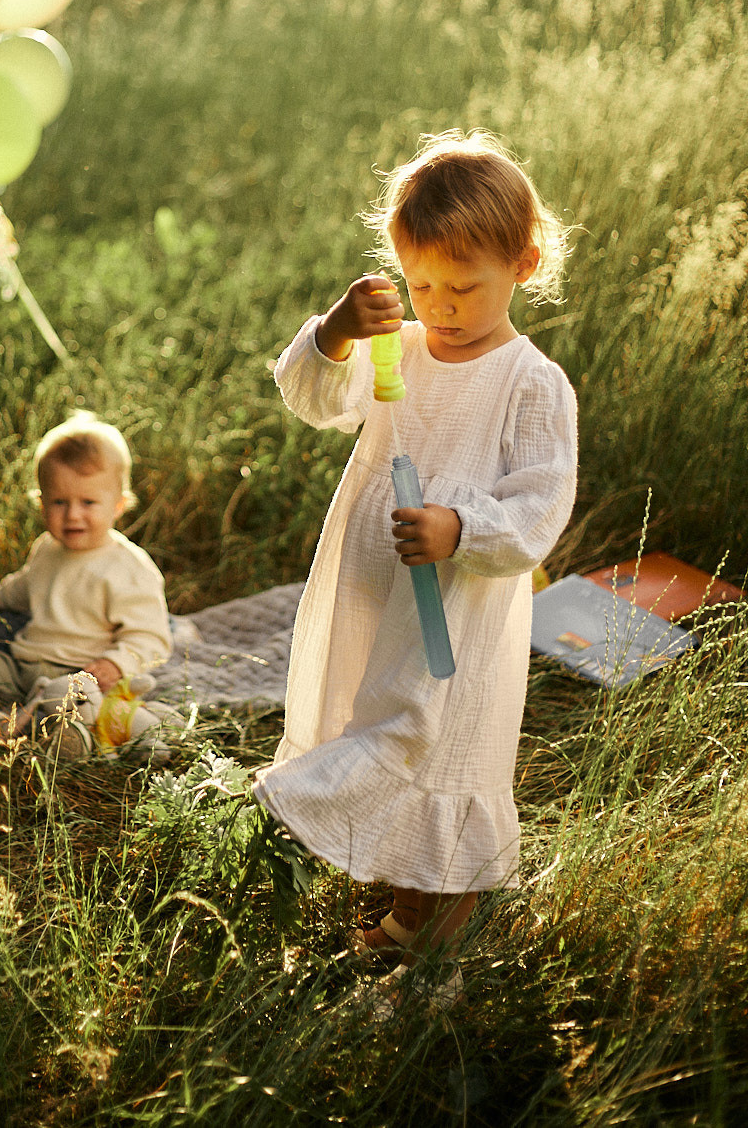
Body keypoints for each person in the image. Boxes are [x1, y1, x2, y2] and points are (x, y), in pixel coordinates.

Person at [253, 130, 578, 1005]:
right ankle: (407, 903)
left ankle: (441, 939)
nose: (439, 305)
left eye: (464, 287)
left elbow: (540, 509)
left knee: (430, 742)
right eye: (422, 283)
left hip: (456, 611)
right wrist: (334, 334)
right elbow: (314, 399)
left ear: (524, 263)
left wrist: (461, 526)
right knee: (361, 709)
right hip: (372, 583)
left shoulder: (529, 383)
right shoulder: (401, 349)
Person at [0, 413, 170, 757]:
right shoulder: (46, 548)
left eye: (88, 503)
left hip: (83, 674)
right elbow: (26, 585)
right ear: (41, 502)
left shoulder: (129, 568)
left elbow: (151, 636)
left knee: (70, 695)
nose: (72, 515)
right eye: (59, 502)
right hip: (25, 667)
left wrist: (116, 664)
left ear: (119, 504)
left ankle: (70, 737)